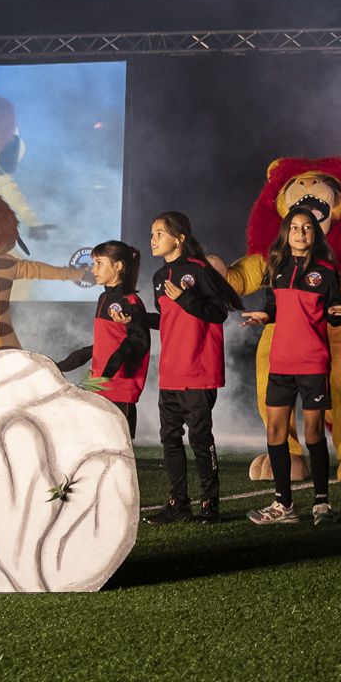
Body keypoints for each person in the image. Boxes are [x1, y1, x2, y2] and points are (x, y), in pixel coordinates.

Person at [241, 208, 341, 526]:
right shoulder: (276, 268)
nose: (300, 233)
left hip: (313, 362)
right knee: (275, 432)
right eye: (294, 227)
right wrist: (263, 315)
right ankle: (284, 506)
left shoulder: (326, 271)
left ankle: (321, 504)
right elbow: (272, 308)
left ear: (314, 235)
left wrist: (338, 314)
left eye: (307, 228)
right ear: (286, 233)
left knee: (313, 433)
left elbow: (332, 312)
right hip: (281, 364)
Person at [142, 210, 238, 523]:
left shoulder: (199, 270)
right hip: (170, 373)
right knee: (169, 439)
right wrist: (138, 318)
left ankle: (210, 505)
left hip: (199, 371)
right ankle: (177, 503)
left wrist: (186, 299)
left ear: (179, 238)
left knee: (199, 439)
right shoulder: (159, 279)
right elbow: (170, 322)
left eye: (159, 233)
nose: (153, 239)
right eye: (152, 233)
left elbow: (219, 312)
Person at [55, 240, 150, 437]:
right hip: (98, 382)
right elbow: (102, 345)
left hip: (119, 385)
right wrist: (63, 364)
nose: (93, 269)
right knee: (91, 443)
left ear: (118, 266)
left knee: (117, 448)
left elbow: (139, 343)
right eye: (93, 263)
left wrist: (109, 372)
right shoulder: (104, 298)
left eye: (99, 263)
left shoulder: (130, 301)